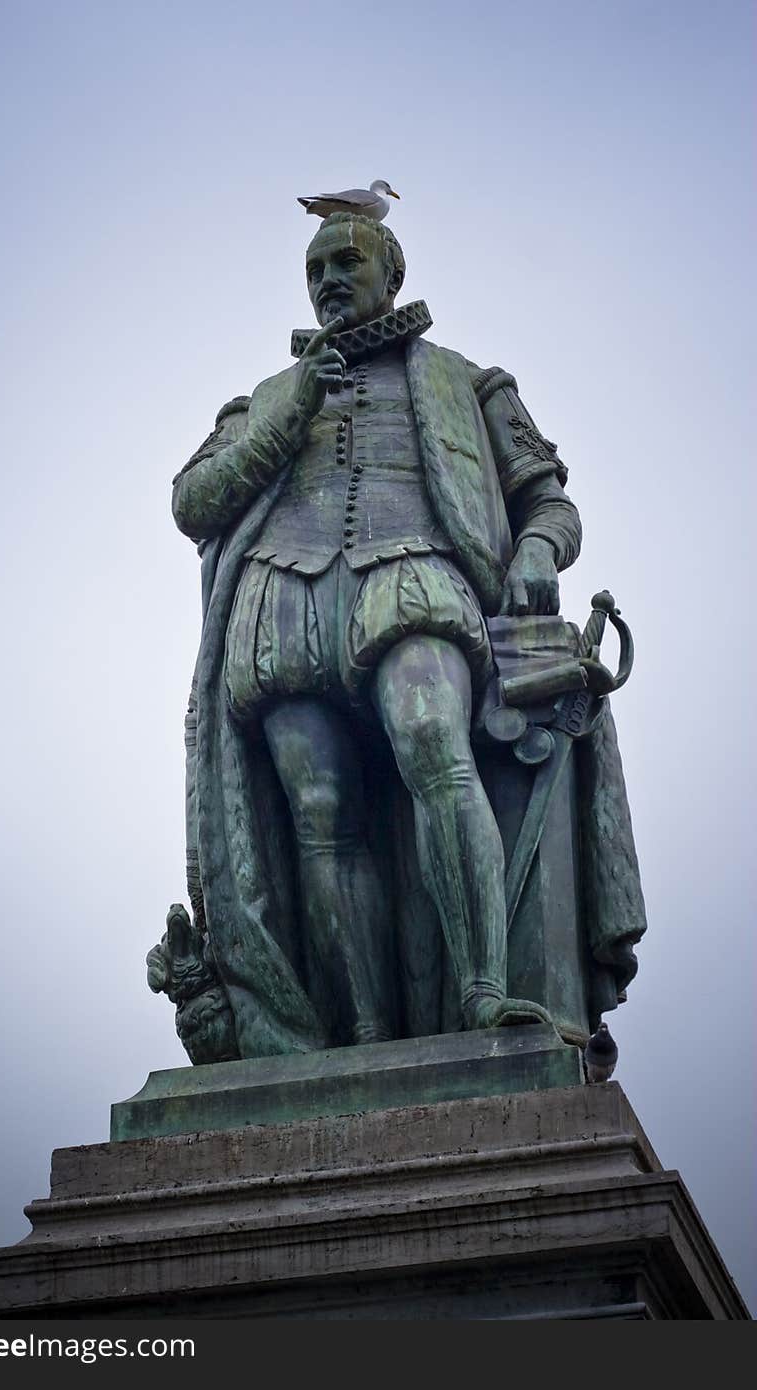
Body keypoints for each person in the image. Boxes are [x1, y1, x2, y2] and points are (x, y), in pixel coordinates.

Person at [170, 213, 631, 1060]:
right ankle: (363, 1037)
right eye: (316, 268)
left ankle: (485, 994)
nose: (329, 279)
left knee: (432, 743)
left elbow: (552, 504)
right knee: (319, 812)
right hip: (283, 605)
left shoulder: (470, 381)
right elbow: (192, 503)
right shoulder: (262, 400)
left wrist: (534, 547)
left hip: (412, 577)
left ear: (393, 272)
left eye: (348, 260)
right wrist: (295, 403)